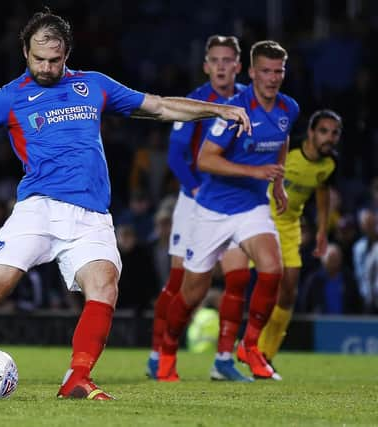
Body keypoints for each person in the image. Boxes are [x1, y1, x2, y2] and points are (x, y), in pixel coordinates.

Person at [0, 9, 250, 400]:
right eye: (38, 58)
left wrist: (217, 109)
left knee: (104, 285)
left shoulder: (94, 85)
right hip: (39, 209)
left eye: (54, 59)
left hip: (91, 216)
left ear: (67, 52)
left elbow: (158, 107)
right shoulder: (10, 96)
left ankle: (77, 377)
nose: (46, 66)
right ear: (25, 51)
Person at [159, 40, 299, 382]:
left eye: (278, 71)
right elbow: (206, 160)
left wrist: (277, 183)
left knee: (272, 269)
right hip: (213, 210)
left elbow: (282, 141)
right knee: (192, 292)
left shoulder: (288, 107)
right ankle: (166, 351)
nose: (272, 77)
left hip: (251, 208)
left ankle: (248, 347)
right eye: (265, 70)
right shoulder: (236, 110)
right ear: (251, 73)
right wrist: (257, 173)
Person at [146, 35, 251, 382]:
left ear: (238, 65)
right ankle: (157, 352)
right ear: (206, 66)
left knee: (238, 278)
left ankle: (223, 359)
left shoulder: (250, 100)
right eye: (215, 60)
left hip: (234, 202)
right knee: (182, 282)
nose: (221, 66)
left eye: (228, 60)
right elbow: (176, 155)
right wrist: (195, 188)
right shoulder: (194, 101)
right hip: (195, 201)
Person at [257, 109, 342, 366]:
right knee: (263, 282)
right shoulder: (288, 149)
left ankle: (265, 354)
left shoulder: (330, 164)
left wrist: (321, 230)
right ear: (311, 133)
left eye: (335, 133)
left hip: (290, 225)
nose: (330, 138)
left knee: (289, 290)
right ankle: (247, 346)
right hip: (260, 217)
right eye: (324, 131)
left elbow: (323, 193)